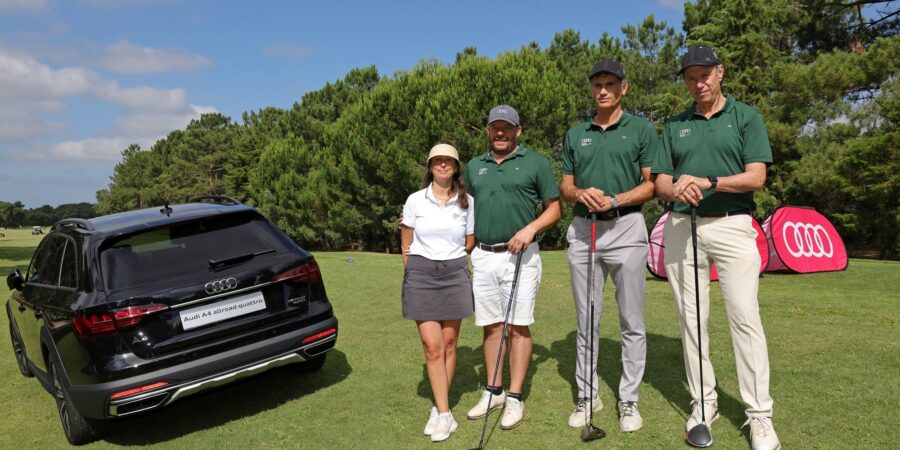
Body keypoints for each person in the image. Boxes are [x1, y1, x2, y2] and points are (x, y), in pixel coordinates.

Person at [652, 46, 780, 450]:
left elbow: (756, 176)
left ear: (720, 73)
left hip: (733, 225)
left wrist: (709, 181)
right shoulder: (675, 125)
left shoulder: (746, 117)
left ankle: (760, 416)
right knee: (691, 322)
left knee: (745, 319)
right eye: (690, 77)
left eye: (705, 74)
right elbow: (660, 182)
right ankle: (703, 405)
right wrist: (677, 187)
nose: (698, 83)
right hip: (681, 226)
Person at [559, 59, 658, 432]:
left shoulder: (641, 129)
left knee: (632, 320)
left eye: (610, 84)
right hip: (585, 232)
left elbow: (652, 184)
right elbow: (565, 187)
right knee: (587, 322)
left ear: (623, 88)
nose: (603, 90)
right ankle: (588, 396)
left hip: (627, 228)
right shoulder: (576, 133)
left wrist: (615, 199)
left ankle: (628, 400)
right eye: (597, 84)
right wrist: (581, 192)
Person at [463, 105, 561, 430]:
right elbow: (466, 211)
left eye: (507, 127)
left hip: (521, 255)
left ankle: (515, 397)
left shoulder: (536, 163)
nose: (500, 133)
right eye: (495, 127)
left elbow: (554, 209)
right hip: (484, 255)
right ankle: (494, 391)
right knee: (491, 326)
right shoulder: (475, 166)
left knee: (518, 326)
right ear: (488, 130)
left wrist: (531, 229)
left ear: (518, 130)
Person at [400, 143, 476, 443]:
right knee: (431, 346)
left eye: (449, 161)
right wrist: (415, 270)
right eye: (437, 161)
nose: (443, 165)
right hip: (421, 273)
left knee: (448, 343)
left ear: (456, 167)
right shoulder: (415, 200)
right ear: (430, 166)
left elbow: (469, 240)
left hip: (455, 272)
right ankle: (445, 414)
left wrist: (451, 258)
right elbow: (406, 242)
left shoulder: (467, 201)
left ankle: (439, 406)